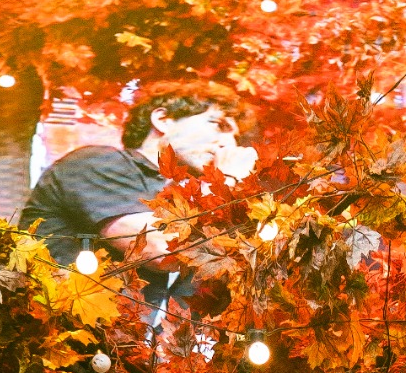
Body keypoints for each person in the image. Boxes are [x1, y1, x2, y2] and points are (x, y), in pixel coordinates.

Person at [18, 86, 256, 303]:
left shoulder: (179, 197)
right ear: (163, 120)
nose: (229, 143)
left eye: (235, 137)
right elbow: (162, 250)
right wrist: (225, 181)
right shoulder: (97, 163)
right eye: (218, 125)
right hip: (61, 327)